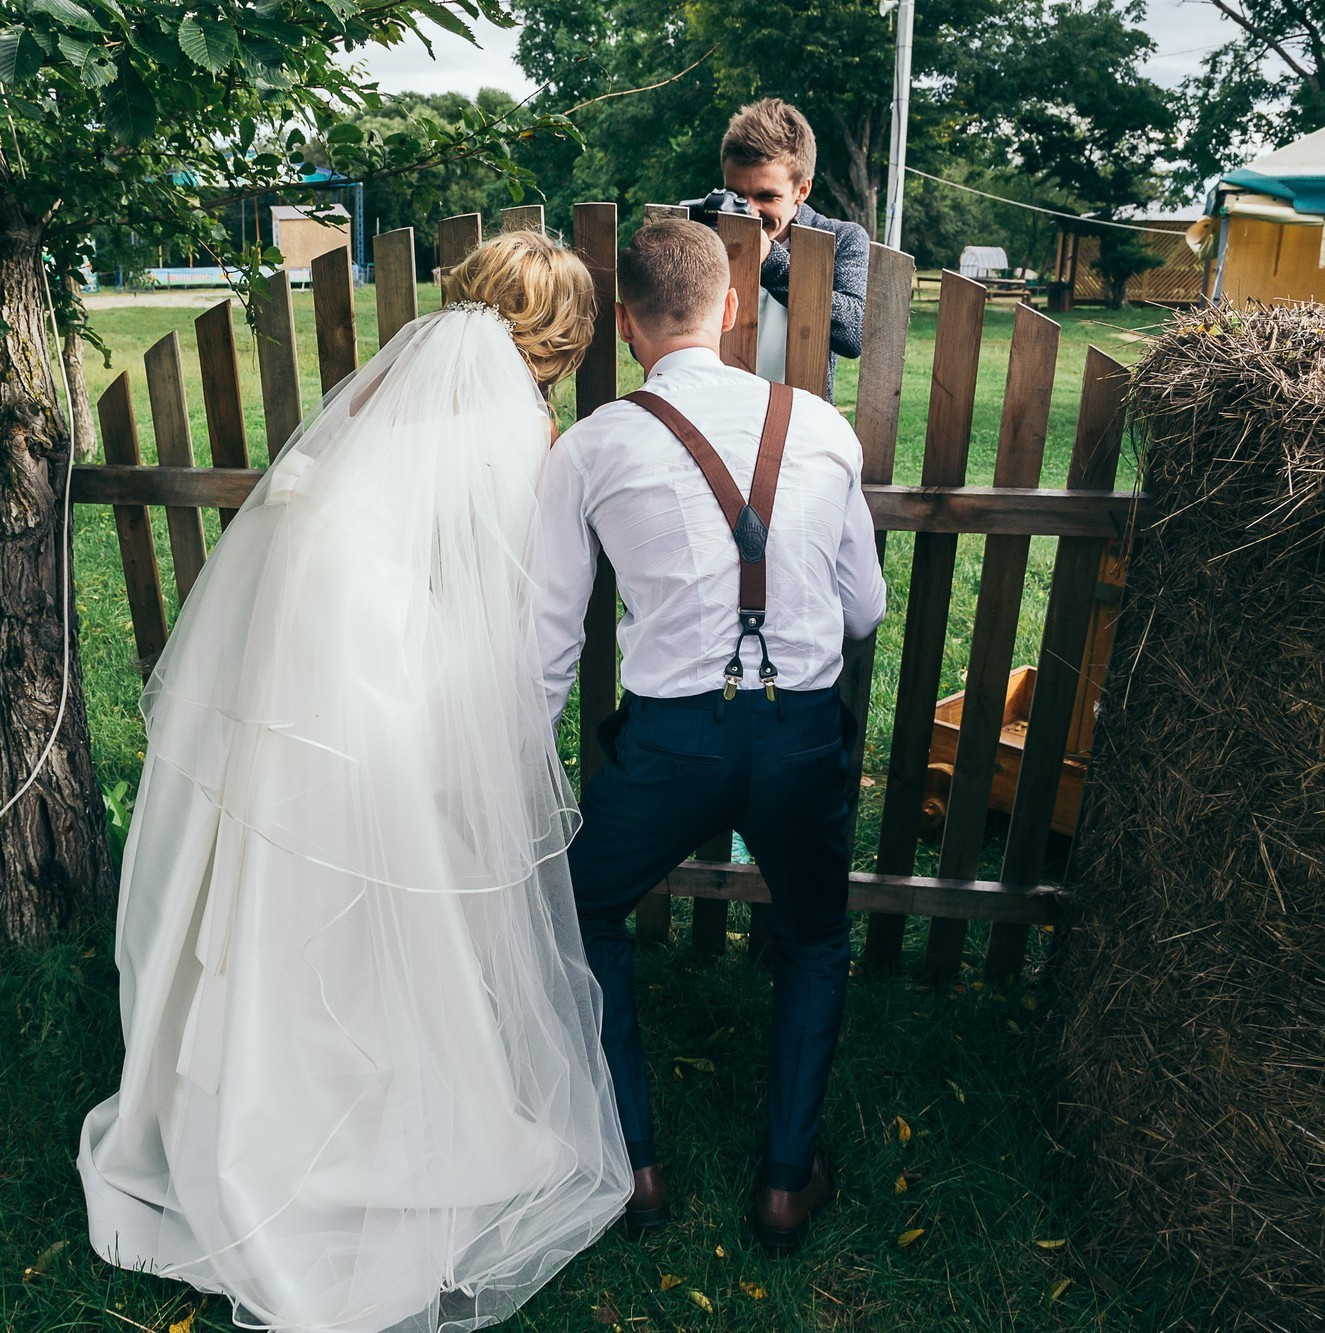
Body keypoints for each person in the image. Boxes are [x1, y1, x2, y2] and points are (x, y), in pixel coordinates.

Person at [76, 231, 632, 1333]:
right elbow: (501, 601)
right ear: (561, 339)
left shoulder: (386, 380)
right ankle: (367, 1107)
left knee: (284, 865)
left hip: (300, 656)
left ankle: (252, 1080)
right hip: (375, 657)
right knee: (388, 870)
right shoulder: (519, 426)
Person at [536, 219, 887, 1256]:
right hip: (801, 737)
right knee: (816, 936)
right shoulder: (821, 427)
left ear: (629, 325)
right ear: (731, 306)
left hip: (669, 749)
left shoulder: (591, 445)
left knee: (581, 911)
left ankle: (634, 1163)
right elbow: (861, 609)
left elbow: (551, 638)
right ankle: (785, 1181)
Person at [719, 99, 870, 391]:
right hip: (716, 414)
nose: (750, 211)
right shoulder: (707, 232)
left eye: (767, 196)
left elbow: (854, 334)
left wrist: (769, 260)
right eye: (736, 195)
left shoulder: (841, 238)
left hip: (797, 420)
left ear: (802, 190)